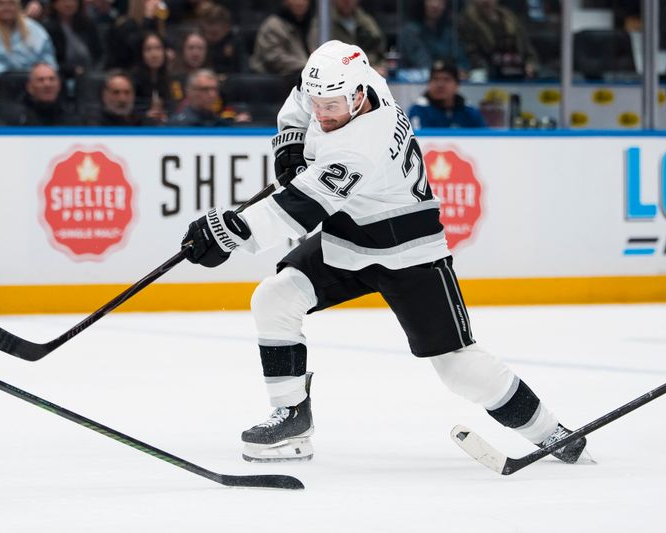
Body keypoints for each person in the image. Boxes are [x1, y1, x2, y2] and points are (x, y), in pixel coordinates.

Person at [179, 40, 592, 465]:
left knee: (457, 367)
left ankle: (552, 434)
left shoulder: (360, 145)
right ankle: (292, 417)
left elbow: (297, 210)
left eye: (332, 106)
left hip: (407, 250)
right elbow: (302, 100)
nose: (322, 113)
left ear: (358, 96)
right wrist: (290, 144)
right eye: (320, 103)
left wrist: (228, 232)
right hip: (349, 237)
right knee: (275, 297)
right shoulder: (352, 80)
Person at [0, 0, 57, 79]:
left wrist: (43, 72)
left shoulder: (32, 27)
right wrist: (8, 75)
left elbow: (47, 55)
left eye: (11, 3)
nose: (6, 7)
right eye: (1, 3)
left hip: (33, 76)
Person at [458, 0, 539, 80]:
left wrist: (531, 64)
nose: (486, 1)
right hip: (487, 76)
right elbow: (471, 53)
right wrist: (483, 70)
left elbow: (527, 49)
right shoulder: (466, 22)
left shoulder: (510, 18)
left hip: (519, 75)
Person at [407, 59, 486, 129]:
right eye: (435, 79)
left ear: (457, 85)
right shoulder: (419, 110)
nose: (440, 85)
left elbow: (485, 137)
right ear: (429, 84)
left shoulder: (469, 112)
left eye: (446, 80)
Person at [308, 0, 385, 68]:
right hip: (336, 73)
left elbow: (380, 52)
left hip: (368, 70)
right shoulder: (323, 23)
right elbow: (316, 55)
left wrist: (378, 67)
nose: (347, 1)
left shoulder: (366, 21)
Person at [397, 0, 468, 71]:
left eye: (441, 1)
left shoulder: (448, 30)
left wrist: (461, 70)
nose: (435, 5)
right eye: (430, 0)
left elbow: (462, 61)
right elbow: (423, 64)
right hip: (418, 77)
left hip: (449, 74)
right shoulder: (410, 31)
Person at [0, 62, 78, 125]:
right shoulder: (18, 119)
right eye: (40, 80)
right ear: (30, 87)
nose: (47, 84)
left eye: (52, 79)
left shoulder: (71, 115)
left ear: (59, 86)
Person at [249, 0, 313, 78]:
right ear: (285, 1)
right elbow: (275, 59)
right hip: (274, 79)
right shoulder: (273, 25)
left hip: (306, 76)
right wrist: (310, 65)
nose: (299, 3)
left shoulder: (314, 24)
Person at [168, 67, 249, 126]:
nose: (212, 95)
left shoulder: (220, 123)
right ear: (190, 92)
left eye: (214, 89)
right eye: (205, 89)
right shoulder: (179, 124)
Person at [44, 0, 103, 79]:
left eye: (73, 0)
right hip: (63, 75)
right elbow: (50, 60)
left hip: (92, 72)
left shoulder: (88, 24)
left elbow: (100, 53)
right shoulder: (48, 28)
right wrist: (72, 70)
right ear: (54, 4)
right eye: (64, 1)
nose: (69, 4)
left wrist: (97, 69)